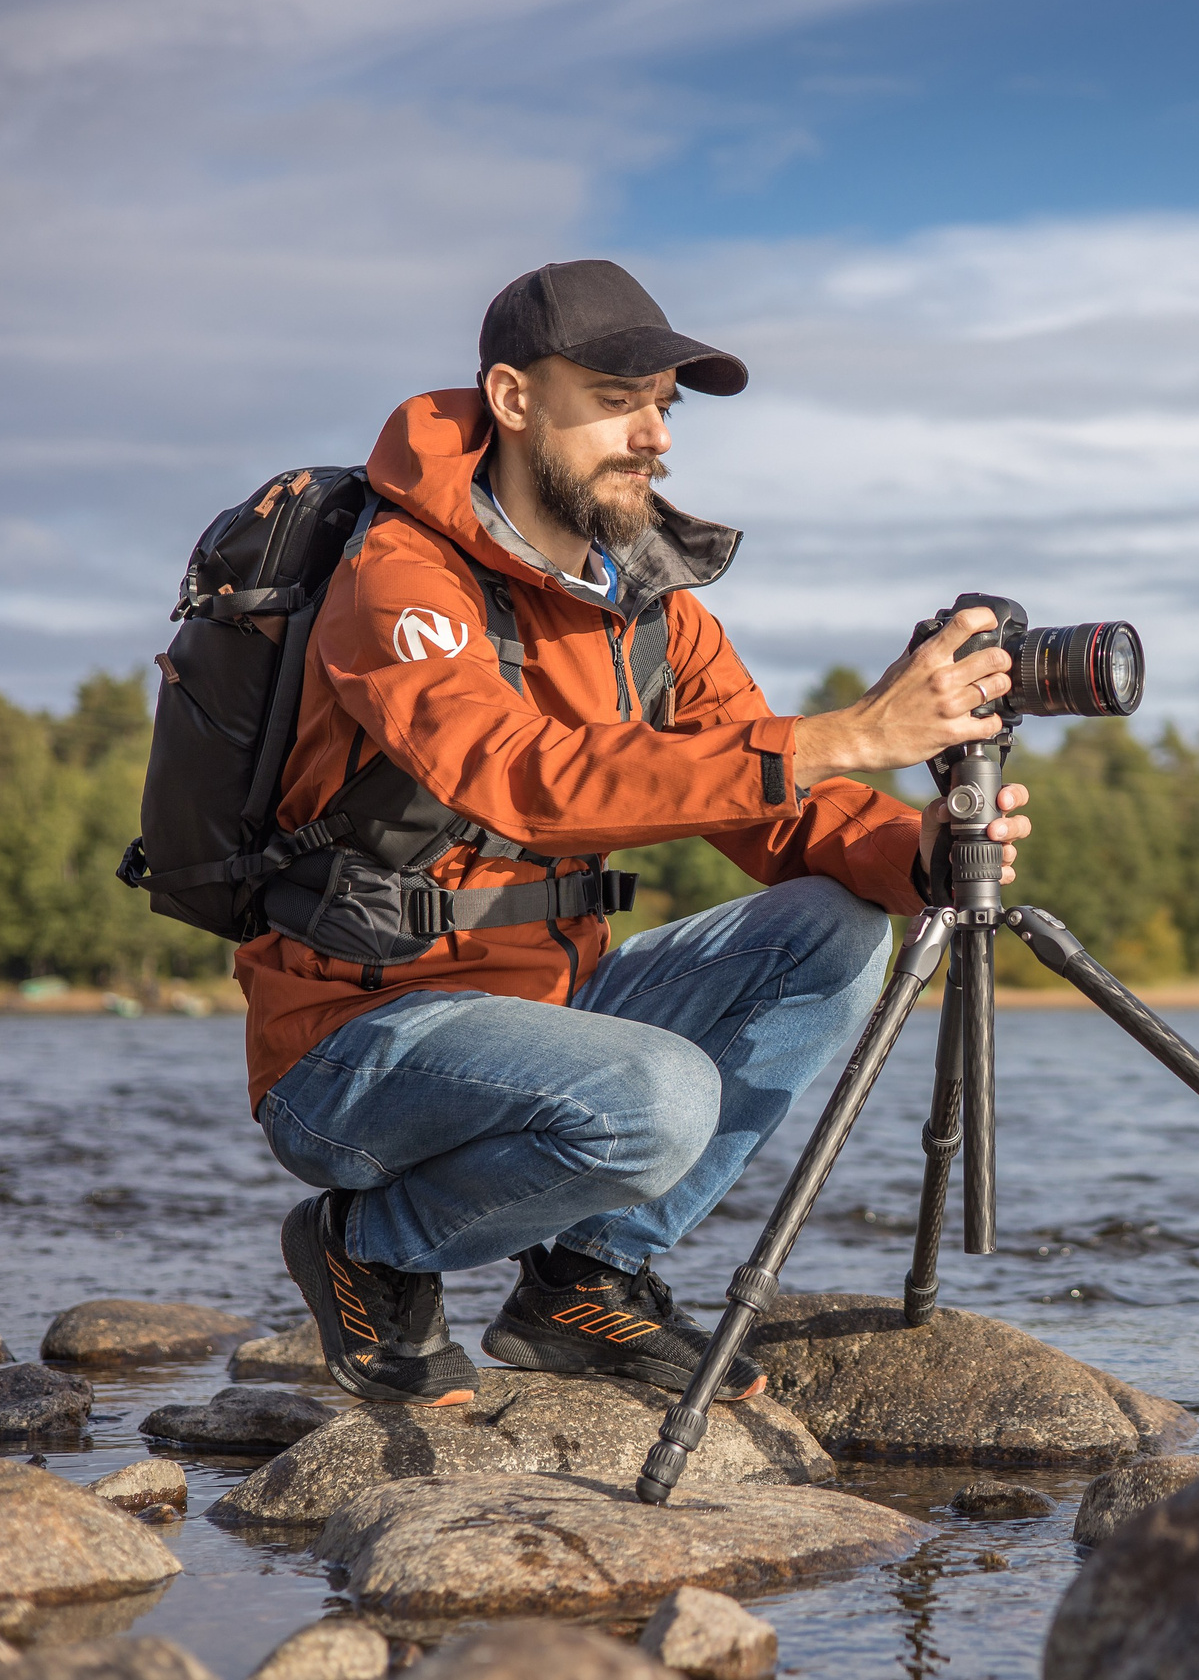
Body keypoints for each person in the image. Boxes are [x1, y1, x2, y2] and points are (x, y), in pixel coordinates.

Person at [237, 259, 1030, 1410]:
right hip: (359, 1037)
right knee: (657, 1099)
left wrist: (923, 851)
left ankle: (579, 1283)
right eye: (616, 397)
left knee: (840, 929)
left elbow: (778, 800)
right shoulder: (399, 578)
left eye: (664, 402)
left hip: (552, 1023)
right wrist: (846, 732)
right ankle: (368, 1245)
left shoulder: (651, 608)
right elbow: (514, 776)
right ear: (513, 399)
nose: (654, 433)